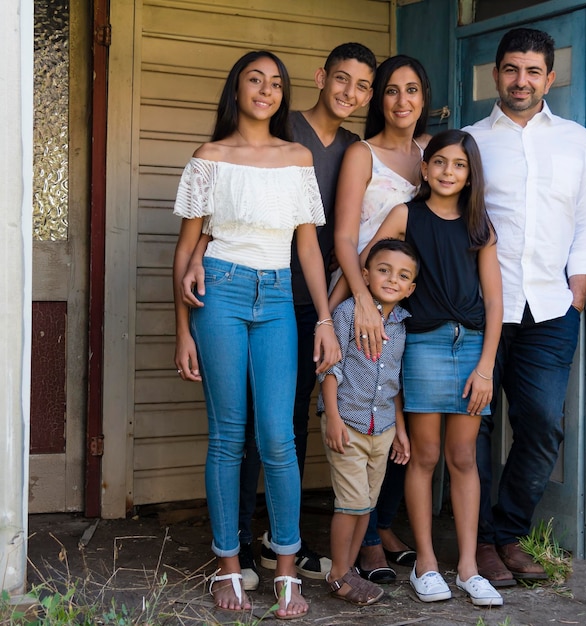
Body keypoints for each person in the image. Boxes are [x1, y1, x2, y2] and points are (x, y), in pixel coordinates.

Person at [181, 43, 377, 588]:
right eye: (254, 81)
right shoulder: (220, 151)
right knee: (230, 434)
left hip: (281, 300)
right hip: (222, 289)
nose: (265, 91)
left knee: (278, 435)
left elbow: (312, 245)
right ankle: (231, 562)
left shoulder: (307, 155)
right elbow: (193, 240)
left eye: (274, 83)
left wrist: (322, 317)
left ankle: (283, 564)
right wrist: (183, 325)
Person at [464, 27, 586, 587]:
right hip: (482, 311)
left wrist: (575, 295)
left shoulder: (574, 138)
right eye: (510, 69)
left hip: (551, 309)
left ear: (549, 78)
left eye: (532, 71)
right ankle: (478, 544)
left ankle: (509, 533)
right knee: (473, 425)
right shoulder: (471, 141)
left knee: (544, 425)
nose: (520, 81)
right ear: (496, 73)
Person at [360, 129, 503, 606]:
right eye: (439, 162)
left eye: (458, 165)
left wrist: (486, 367)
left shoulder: (480, 224)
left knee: (463, 457)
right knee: (423, 456)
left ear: (469, 175)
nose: (447, 172)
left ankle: (466, 568)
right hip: (422, 343)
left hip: (472, 349)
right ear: (425, 169)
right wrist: (351, 310)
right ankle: (426, 562)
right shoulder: (406, 214)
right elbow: (369, 262)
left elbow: (495, 302)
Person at [330, 54, 431, 582]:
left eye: (411, 90)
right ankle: (366, 541)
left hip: (412, 301)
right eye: (391, 90)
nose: (401, 100)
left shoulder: (436, 153)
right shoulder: (361, 154)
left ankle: (383, 524)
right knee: (359, 404)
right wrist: (363, 303)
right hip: (362, 294)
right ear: (378, 99)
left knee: (400, 414)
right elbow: (345, 237)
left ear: (424, 97)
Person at [320, 239, 416, 605]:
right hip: (348, 424)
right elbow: (331, 367)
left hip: (384, 429)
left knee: (366, 503)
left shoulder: (403, 327)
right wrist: (331, 417)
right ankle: (338, 574)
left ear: (411, 288)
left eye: (403, 276)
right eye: (383, 270)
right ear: (364, 275)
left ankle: (348, 568)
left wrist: (401, 431)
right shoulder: (346, 313)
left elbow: (394, 384)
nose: (392, 279)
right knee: (351, 503)